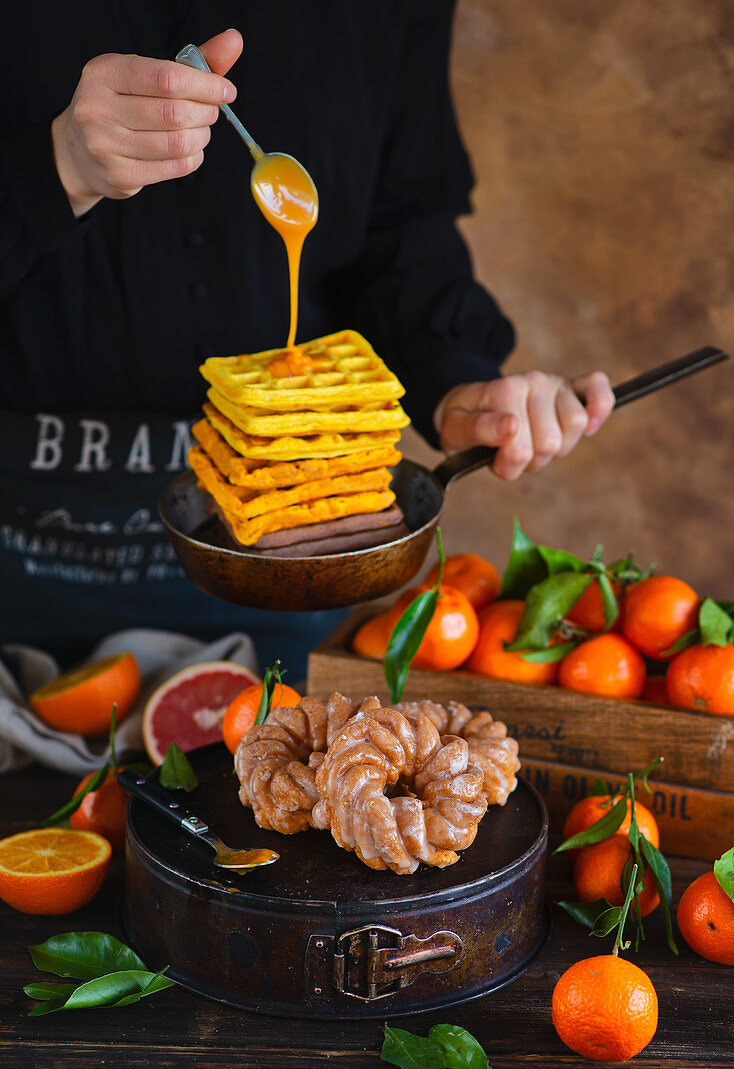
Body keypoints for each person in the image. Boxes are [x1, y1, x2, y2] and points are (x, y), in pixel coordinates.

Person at [0, 6, 613, 679]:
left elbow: (399, 227)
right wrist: (53, 167)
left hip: (305, 571)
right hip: (21, 564)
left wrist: (454, 376)